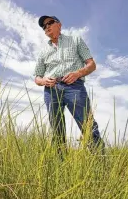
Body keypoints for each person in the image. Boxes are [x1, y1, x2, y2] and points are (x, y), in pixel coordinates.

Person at [33, 15, 105, 156]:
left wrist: (78, 73)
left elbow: (91, 65)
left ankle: (101, 163)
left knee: (87, 124)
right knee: (57, 130)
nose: (46, 26)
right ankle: (60, 166)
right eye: (44, 26)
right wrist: (44, 81)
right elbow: (37, 77)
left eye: (49, 23)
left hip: (74, 86)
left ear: (59, 25)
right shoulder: (43, 52)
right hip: (51, 90)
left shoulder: (75, 40)